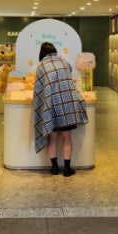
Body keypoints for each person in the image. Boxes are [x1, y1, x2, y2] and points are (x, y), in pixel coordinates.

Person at [33, 42, 88, 177]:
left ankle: (54, 168)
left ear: (41, 53)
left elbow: (39, 90)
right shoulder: (64, 63)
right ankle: (67, 169)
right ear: (54, 51)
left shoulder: (41, 67)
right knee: (66, 137)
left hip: (50, 106)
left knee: (52, 138)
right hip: (67, 105)